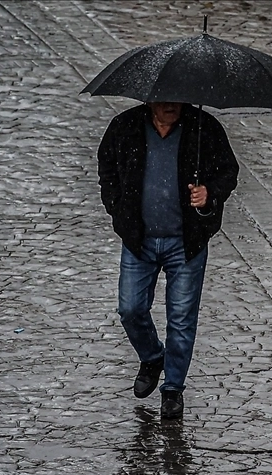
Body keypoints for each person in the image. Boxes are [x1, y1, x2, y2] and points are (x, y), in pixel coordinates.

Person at [97, 101, 239, 419]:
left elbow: (229, 171)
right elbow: (106, 167)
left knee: (181, 320)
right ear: (149, 100)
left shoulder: (204, 128)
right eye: (163, 99)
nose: (170, 106)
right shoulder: (125, 127)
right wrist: (117, 208)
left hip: (185, 242)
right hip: (139, 241)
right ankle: (151, 356)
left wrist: (210, 193)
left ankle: (173, 389)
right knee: (130, 308)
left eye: (176, 99)